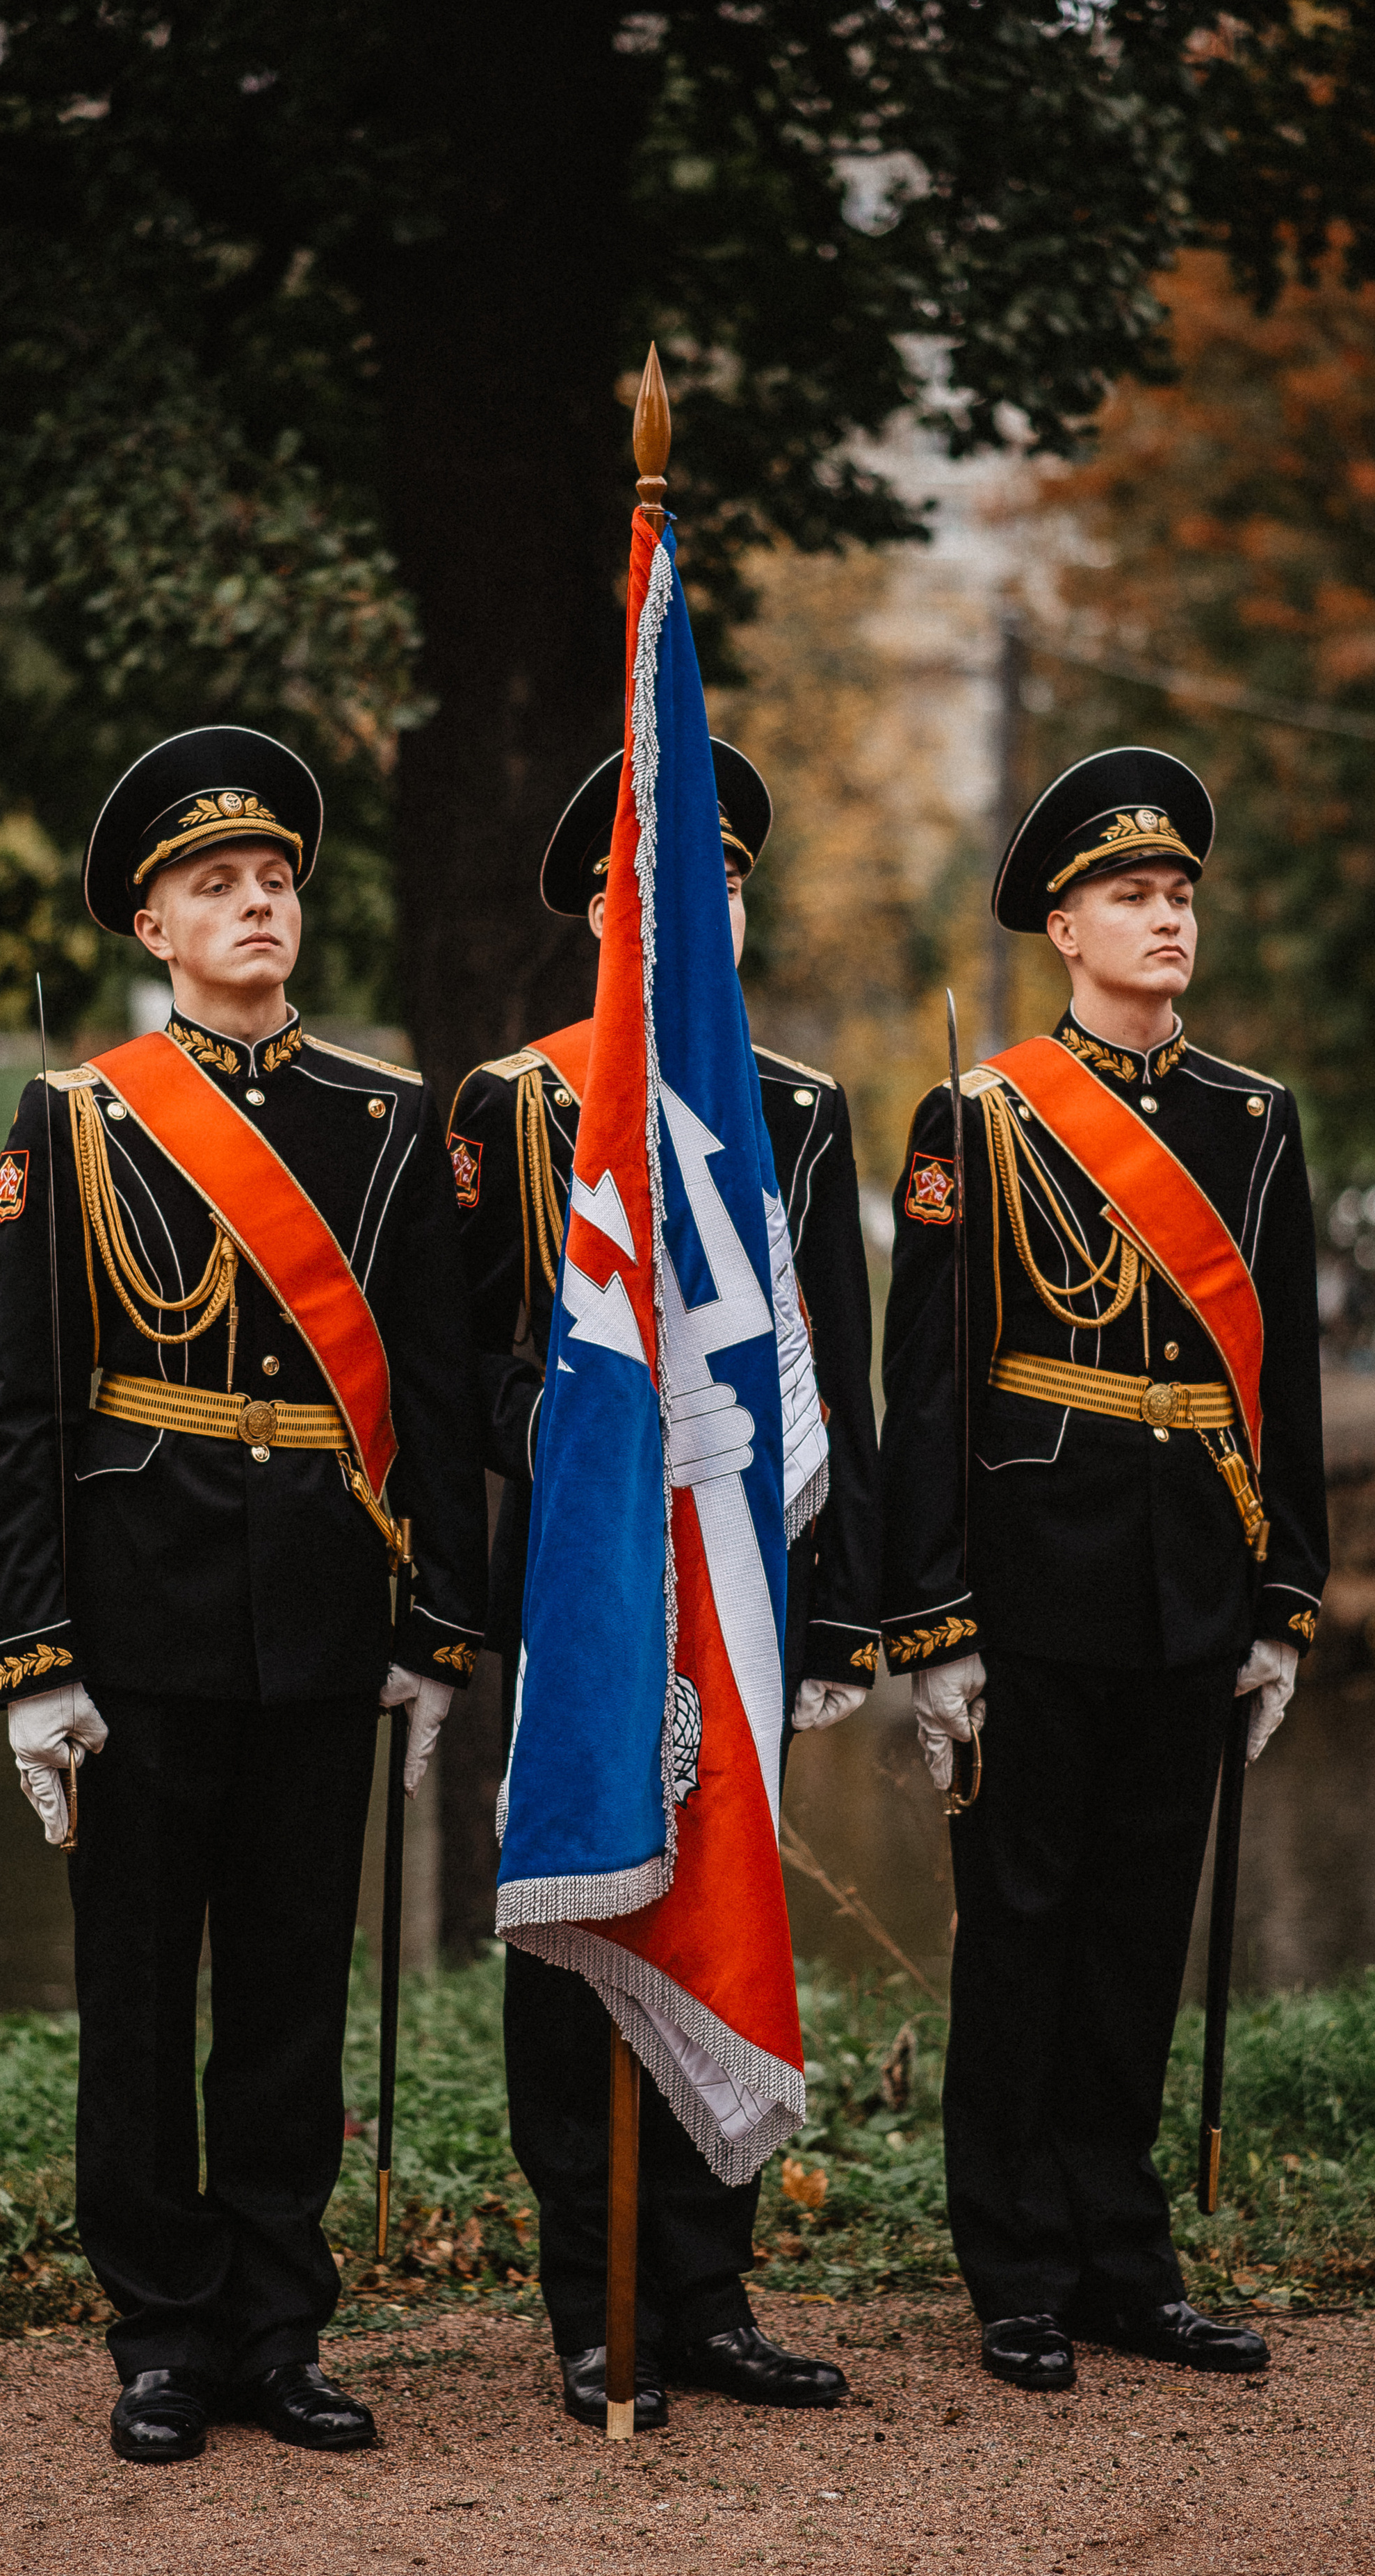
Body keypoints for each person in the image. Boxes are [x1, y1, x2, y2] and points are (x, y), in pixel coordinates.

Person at [0, 728, 487, 2463]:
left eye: (272, 882)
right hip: (140, 1615)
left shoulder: (384, 1117)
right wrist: (32, 1658)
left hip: (323, 1617)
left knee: (288, 1991)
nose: (255, 904)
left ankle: (278, 2326)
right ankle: (160, 2335)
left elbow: (425, 1389)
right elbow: (26, 1410)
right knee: (136, 1992)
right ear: (151, 927)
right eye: (216, 886)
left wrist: (429, 1629)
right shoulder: (80, 1117)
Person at [879, 748, 1328, 2394]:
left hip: (1190, 1583)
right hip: (1031, 1581)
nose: (1164, 920)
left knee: (1140, 1931)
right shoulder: (978, 1116)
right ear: (1061, 927)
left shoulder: (1251, 1121)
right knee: (1018, 1929)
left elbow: (1285, 1375)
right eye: (1131, 898)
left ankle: (1123, 2257)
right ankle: (1012, 2262)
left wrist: (1283, 1599)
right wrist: (932, 1624)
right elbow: (923, 1387)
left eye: (1178, 897)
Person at [450, 741, 881, 2430]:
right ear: (604, 910)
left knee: (718, 1902)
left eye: (719, 877)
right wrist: (601, 1420)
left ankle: (706, 2290)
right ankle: (592, 2303)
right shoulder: (520, 1099)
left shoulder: (794, 1107)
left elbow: (823, 1380)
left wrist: (840, 1618)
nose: (695, 902)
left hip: (741, 1588)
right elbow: (465, 1372)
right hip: (583, 1588)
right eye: (661, 880)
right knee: (579, 1921)